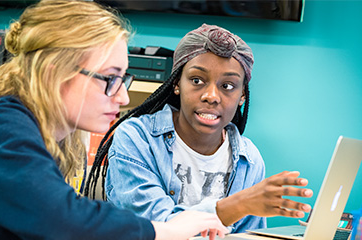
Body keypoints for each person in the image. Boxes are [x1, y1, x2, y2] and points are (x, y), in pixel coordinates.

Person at [0, 2, 228, 239]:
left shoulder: (42, 133)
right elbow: (61, 221)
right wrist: (167, 230)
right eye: (110, 78)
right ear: (54, 72)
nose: (122, 97)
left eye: (124, 79)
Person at [86, 23, 314, 233]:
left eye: (227, 86)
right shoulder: (137, 139)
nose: (211, 96)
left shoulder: (249, 159)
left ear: (242, 95)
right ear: (176, 83)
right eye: (197, 80)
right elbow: (157, 228)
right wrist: (238, 205)